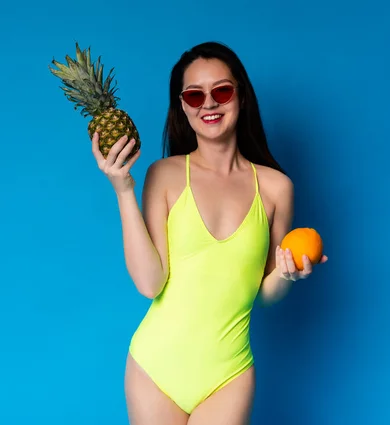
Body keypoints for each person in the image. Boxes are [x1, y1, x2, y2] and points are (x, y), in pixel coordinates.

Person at [91, 41, 328, 425]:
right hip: (156, 368)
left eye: (221, 90)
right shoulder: (164, 175)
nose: (209, 104)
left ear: (241, 97)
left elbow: (262, 292)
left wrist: (285, 273)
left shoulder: (276, 188)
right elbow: (151, 284)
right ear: (182, 107)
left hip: (228, 375)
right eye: (194, 95)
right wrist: (123, 189)